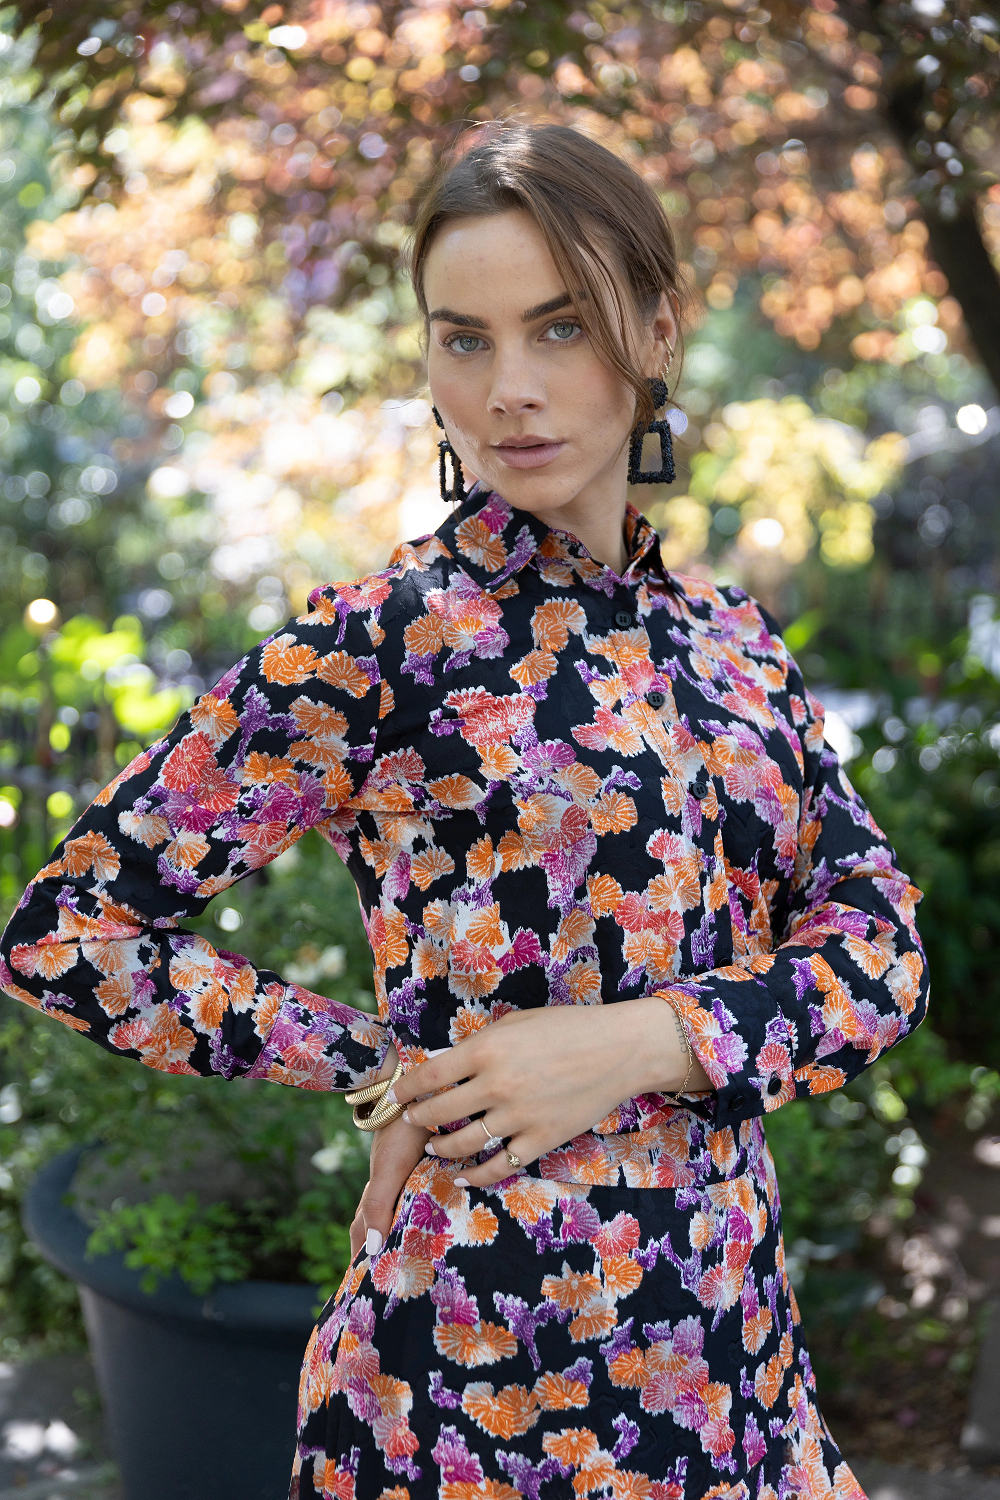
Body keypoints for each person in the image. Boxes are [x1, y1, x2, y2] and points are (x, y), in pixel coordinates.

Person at [0, 124, 927, 1500]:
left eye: (560, 327)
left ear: (657, 331)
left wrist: (643, 1041)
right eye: (464, 340)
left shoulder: (734, 646)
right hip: (474, 1382)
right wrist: (382, 1070)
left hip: (737, 1380)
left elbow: (883, 955)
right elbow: (68, 931)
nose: (509, 391)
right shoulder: (386, 643)